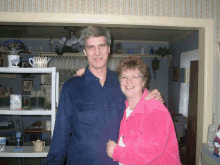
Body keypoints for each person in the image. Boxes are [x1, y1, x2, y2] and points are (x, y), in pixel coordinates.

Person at [47, 25, 163, 165]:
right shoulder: (71, 87)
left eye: (101, 46)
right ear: (84, 51)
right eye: (91, 47)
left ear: (109, 49)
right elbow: (60, 135)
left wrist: (152, 98)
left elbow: (141, 111)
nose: (97, 52)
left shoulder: (123, 83)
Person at [106, 56, 181, 165]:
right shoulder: (122, 107)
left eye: (135, 77)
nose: (129, 81)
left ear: (144, 82)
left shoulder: (155, 109)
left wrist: (116, 152)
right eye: (124, 77)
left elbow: (151, 151)